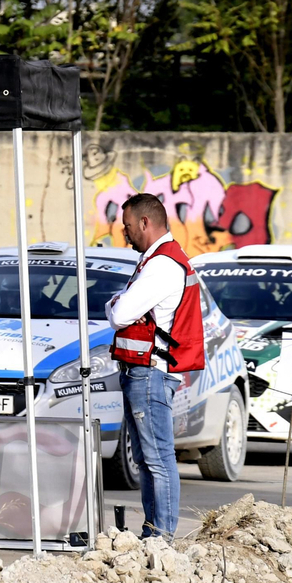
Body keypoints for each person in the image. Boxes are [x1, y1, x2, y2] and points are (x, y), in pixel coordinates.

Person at [106, 193, 206, 540]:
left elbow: (119, 314)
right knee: (150, 459)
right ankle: (155, 530)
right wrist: (119, 302)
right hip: (146, 372)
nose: (125, 232)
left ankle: (161, 534)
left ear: (145, 223)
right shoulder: (158, 260)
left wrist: (116, 303)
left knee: (157, 458)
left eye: (129, 226)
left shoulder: (162, 265)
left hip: (149, 373)